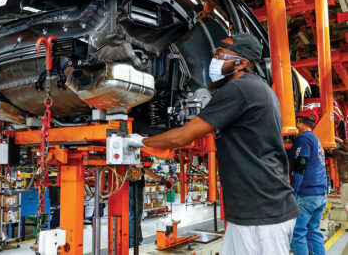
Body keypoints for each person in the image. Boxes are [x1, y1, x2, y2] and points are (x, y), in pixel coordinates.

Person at [128, 33, 300, 254]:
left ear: (241, 63)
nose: (215, 59)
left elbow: (183, 136)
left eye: (221, 54)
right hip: (253, 210)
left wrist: (140, 141)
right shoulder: (257, 89)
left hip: (260, 214)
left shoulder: (240, 89)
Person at [289, 111, 327, 255]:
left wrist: (293, 191)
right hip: (320, 194)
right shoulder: (315, 139)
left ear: (299, 121)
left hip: (307, 195)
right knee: (313, 231)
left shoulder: (303, 138)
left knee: (298, 233)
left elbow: (300, 165)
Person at [334, 137, 348, 219]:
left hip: (346, 183)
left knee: (346, 204)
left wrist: (333, 136)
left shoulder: (342, 155)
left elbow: (331, 151)